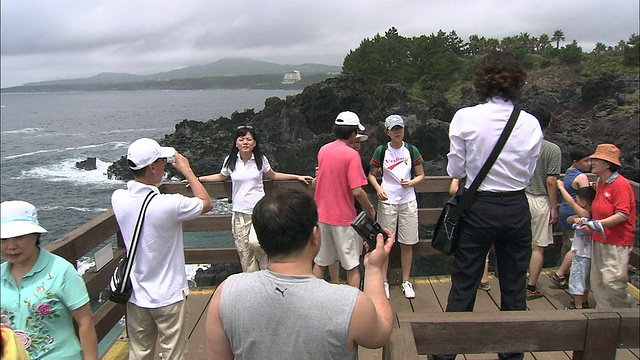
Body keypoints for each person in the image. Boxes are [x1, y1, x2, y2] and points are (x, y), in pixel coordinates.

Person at [435, 51, 543, 360]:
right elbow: (529, 170)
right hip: (515, 206)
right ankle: (512, 355)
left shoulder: (466, 118)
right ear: (517, 83)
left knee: (465, 282)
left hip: (478, 207)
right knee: (513, 286)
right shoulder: (531, 124)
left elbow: (456, 170)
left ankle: (445, 354)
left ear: (482, 81)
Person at [205, 189, 394, 360]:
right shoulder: (350, 303)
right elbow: (381, 332)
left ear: (261, 239)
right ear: (315, 235)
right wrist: (374, 269)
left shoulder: (227, 292)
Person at [111, 138, 213, 360]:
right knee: (173, 355)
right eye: (161, 161)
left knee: (139, 353)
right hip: (169, 295)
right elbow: (206, 202)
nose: (164, 165)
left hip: (136, 294)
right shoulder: (169, 204)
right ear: (152, 167)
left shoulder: (118, 198)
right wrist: (187, 171)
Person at [199, 125, 313, 272]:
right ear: (236, 143)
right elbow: (221, 176)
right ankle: (252, 284)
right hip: (239, 212)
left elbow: (273, 175)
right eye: (241, 139)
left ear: (255, 143)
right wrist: (197, 179)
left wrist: (296, 176)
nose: (245, 142)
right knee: (245, 253)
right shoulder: (231, 160)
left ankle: (267, 275)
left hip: (259, 211)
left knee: (257, 243)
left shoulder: (260, 159)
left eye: (248, 139)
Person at [1, 200, 98, 360]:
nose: (11, 246)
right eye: (3, 239)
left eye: (19, 237)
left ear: (35, 236)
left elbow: (85, 321)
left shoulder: (61, 270)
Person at [313, 111, 376, 288]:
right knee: (351, 265)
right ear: (353, 132)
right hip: (343, 218)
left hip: (322, 215)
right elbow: (357, 190)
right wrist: (370, 208)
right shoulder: (351, 155)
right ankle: (353, 304)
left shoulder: (324, 150)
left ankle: (313, 299)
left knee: (321, 261)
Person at [368, 114, 425, 299]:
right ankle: (383, 281)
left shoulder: (411, 150)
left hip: (407, 200)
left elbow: (421, 175)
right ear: (387, 132)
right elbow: (371, 174)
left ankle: (406, 281)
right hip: (387, 201)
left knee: (407, 243)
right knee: (385, 242)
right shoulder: (381, 151)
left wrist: (411, 183)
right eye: (393, 129)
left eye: (399, 128)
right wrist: (378, 188)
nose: (397, 132)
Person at [579, 144, 636, 309]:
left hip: (617, 240)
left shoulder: (620, 184)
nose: (593, 162)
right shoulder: (600, 182)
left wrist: (597, 224)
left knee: (613, 281)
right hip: (600, 239)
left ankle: (628, 311)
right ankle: (604, 317)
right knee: (597, 282)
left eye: (597, 159)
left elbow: (623, 214)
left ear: (608, 164)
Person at [525, 107, 561, 300]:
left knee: (518, 243)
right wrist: (554, 207)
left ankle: (513, 280)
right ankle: (530, 287)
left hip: (520, 197)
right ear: (548, 124)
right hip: (540, 200)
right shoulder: (552, 149)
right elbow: (551, 181)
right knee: (538, 246)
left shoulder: (520, 145)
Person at [327, 133, 369, 283]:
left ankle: (341, 289)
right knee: (346, 259)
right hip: (341, 212)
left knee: (350, 256)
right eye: (355, 140)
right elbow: (358, 190)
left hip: (352, 212)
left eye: (359, 142)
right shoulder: (340, 158)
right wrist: (370, 208)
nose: (356, 144)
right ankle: (338, 286)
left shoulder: (362, 163)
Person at [549, 146, 592, 289]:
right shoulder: (581, 177)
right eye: (586, 161)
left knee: (566, 244)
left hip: (564, 212)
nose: (589, 164)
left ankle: (564, 272)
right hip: (576, 213)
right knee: (577, 247)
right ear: (576, 161)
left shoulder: (568, 172)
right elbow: (586, 197)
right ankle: (561, 274)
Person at [556, 184, 597, 309]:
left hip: (581, 253)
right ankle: (583, 302)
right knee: (586, 280)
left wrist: (561, 188)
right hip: (590, 254)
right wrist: (576, 219)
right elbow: (569, 219)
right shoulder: (590, 215)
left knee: (578, 279)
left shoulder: (586, 214)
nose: (575, 203)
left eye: (578, 201)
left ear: (583, 203)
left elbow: (570, 203)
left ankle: (578, 306)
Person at [449, 178, 491, 292]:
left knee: (469, 251)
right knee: (485, 248)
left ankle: (467, 283)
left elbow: (453, 190)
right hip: (489, 208)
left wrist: (456, 178)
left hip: (470, 212)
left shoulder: (468, 172)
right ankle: (484, 278)